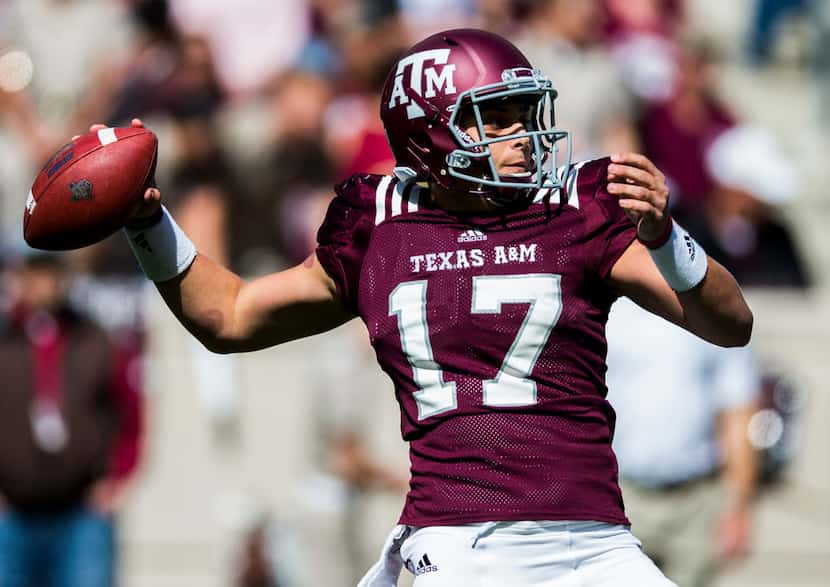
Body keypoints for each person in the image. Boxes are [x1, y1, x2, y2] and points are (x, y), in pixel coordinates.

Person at [102, 29, 752, 586]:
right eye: (496, 118)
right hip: (462, 546)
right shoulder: (378, 224)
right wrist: (148, 223)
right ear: (432, 135)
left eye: (525, 112)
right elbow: (231, 314)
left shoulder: (574, 206)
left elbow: (729, 323)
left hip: (596, 540)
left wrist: (667, 239)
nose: (524, 134)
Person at [0, 250, 143, 587]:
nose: (42, 285)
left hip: (81, 514)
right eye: (33, 274)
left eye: (50, 275)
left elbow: (131, 415)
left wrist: (116, 480)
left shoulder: (96, 341)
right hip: (13, 515)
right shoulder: (5, 341)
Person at [606, 296, 761, 587]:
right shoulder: (608, 305)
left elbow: (738, 411)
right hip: (620, 495)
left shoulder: (715, 301)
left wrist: (739, 508)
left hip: (696, 501)